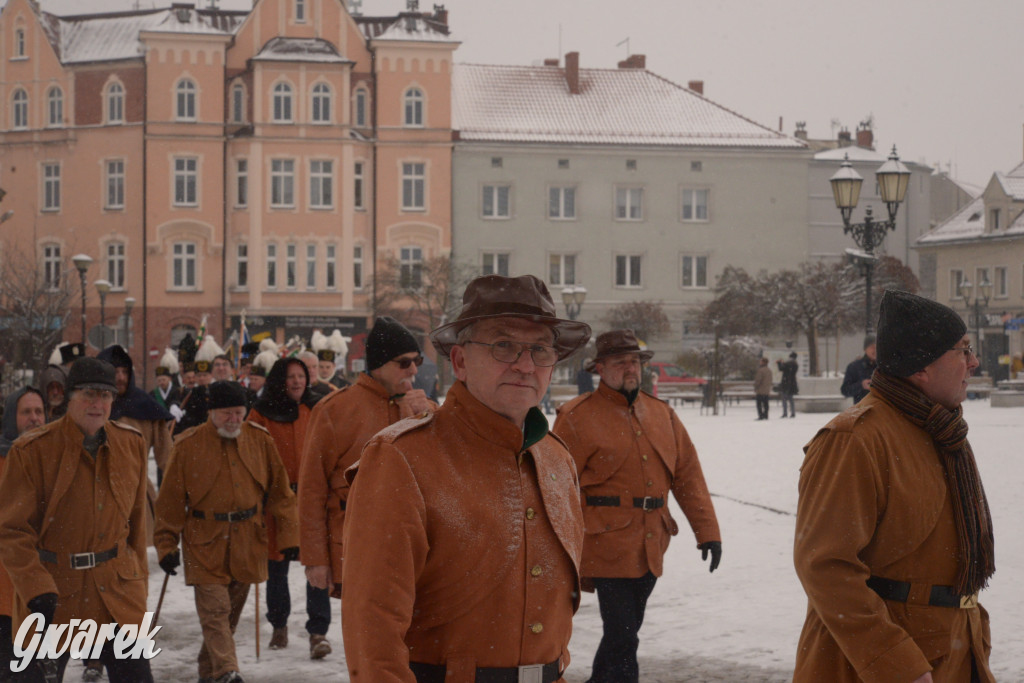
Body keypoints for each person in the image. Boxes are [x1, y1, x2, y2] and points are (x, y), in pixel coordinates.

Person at [342, 274, 591, 680]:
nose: (525, 365)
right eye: (503, 345)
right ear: (459, 361)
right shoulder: (402, 458)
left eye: (540, 349)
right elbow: (374, 628)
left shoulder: (556, 459)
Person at [793, 290, 996, 683]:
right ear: (921, 367)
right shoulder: (855, 439)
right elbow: (825, 566)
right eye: (963, 350)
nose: (973, 362)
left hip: (952, 653)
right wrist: (896, 663)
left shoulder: (941, 430)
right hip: (880, 666)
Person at [553, 329, 721, 683]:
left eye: (635, 362)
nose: (630, 369)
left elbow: (688, 477)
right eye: (620, 362)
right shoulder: (576, 417)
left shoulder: (663, 414)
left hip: (653, 542)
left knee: (624, 634)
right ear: (600, 368)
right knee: (623, 633)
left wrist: (708, 533)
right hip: (605, 544)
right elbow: (557, 487)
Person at [0, 358, 153, 683]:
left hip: (116, 595)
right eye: (88, 394)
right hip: (55, 595)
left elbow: (136, 529)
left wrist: (138, 583)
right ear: (69, 398)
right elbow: (12, 531)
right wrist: (35, 588)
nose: (98, 404)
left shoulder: (131, 444)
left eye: (106, 396)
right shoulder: (32, 451)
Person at [154, 381, 299, 683]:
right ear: (211, 412)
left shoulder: (260, 441)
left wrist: (289, 538)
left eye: (239, 413)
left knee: (226, 621)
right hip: (204, 542)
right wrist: (166, 546)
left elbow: (281, 494)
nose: (234, 420)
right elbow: (169, 504)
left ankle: (210, 673)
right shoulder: (188, 446)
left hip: (248, 542)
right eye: (226, 414)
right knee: (216, 612)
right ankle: (228, 673)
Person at [298, 316, 434, 599]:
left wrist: (427, 419)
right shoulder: (335, 410)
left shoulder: (427, 409)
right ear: (379, 365)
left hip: (416, 549)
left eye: (416, 361)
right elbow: (312, 488)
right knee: (368, 638)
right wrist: (315, 558)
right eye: (403, 362)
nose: (412, 369)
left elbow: (448, 471)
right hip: (357, 547)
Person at [247, 358, 332, 659]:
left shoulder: (318, 407)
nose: (297, 382)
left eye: (301, 376)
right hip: (276, 502)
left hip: (312, 500)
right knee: (276, 567)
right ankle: (279, 624)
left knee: (317, 565)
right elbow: (250, 454)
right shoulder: (261, 412)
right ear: (279, 381)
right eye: (290, 377)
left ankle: (318, 632)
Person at [0, 386, 46, 679]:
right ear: (11, 417)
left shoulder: (56, 460)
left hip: (45, 590)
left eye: (39, 412)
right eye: (26, 412)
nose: (34, 418)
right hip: (5, 591)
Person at [841, 334, 877, 404]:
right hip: (862, 411)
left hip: (881, 412)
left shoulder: (884, 367)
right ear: (865, 349)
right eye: (872, 347)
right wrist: (861, 385)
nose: (875, 350)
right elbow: (845, 390)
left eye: (877, 347)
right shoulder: (854, 367)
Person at [776, 352, 799, 418]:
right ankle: (793, 412)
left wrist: (779, 363)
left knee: (784, 398)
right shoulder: (795, 364)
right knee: (791, 399)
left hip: (786, 382)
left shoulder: (788, 363)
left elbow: (781, 368)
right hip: (792, 383)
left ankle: (785, 413)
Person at [754, 356, 773, 420]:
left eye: (761, 361)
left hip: (760, 389)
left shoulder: (761, 370)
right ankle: (766, 415)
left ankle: (761, 415)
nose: (760, 362)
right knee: (766, 403)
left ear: (763, 362)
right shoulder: (769, 370)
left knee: (759, 403)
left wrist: (756, 386)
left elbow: (758, 380)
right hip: (767, 389)